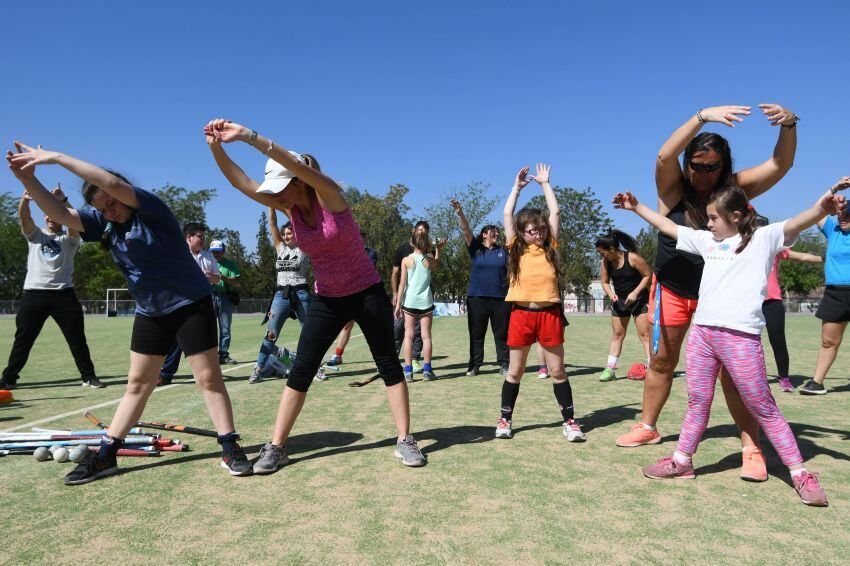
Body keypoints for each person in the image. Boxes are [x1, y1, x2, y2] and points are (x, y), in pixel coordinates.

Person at [7, 142, 252, 485]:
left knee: (208, 378)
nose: (109, 210)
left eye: (111, 202)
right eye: (100, 208)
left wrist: (57, 157)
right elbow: (62, 215)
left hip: (189, 305)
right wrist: (28, 180)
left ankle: (230, 447)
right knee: (138, 383)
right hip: (150, 312)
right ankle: (106, 457)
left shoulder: (150, 209)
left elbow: (115, 186)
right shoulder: (103, 224)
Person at [204, 118, 425, 471]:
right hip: (327, 297)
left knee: (388, 364)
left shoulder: (330, 197)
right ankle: (277, 447)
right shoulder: (288, 207)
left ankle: (405, 439)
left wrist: (246, 136)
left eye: (281, 184)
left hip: (367, 292)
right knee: (302, 370)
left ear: (298, 178)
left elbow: (293, 165)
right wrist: (215, 147)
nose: (274, 193)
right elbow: (241, 183)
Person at [613, 181, 846, 506]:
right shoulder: (708, 241)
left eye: (713, 218)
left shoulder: (764, 238)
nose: (707, 224)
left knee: (764, 407)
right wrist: (636, 207)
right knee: (698, 402)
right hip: (703, 336)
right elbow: (670, 227)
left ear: (736, 216)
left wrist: (823, 206)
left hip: (741, 339)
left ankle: (799, 473)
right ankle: (682, 462)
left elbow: (798, 221)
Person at [616, 103, 799, 483]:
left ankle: (751, 448)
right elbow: (665, 154)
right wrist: (701, 116)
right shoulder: (672, 188)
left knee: (733, 377)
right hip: (674, 289)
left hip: (723, 301)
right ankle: (648, 426)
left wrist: (789, 125)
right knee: (662, 362)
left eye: (711, 166)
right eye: (696, 166)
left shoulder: (736, 190)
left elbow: (780, 165)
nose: (702, 173)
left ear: (724, 165)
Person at [496, 164, 585, 443]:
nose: (539, 234)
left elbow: (555, 212)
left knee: (558, 371)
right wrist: (517, 188)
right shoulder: (515, 248)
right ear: (522, 233)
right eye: (533, 231)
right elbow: (508, 213)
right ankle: (505, 420)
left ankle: (570, 422)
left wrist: (546, 184)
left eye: (541, 229)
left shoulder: (551, 246)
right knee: (516, 371)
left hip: (549, 315)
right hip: (521, 315)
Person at [0, 185, 102, 390]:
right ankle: (9, 378)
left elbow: (75, 219)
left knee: (76, 339)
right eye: (47, 215)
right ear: (44, 218)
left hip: (63, 295)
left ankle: (88, 377)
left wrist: (62, 200)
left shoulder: (70, 239)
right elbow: (25, 218)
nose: (50, 218)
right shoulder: (35, 236)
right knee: (23, 339)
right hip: (34, 295)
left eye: (55, 215)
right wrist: (25, 200)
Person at [753, 215, 823, 392]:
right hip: (749, 302)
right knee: (749, 342)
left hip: (772, 301)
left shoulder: (776, 249)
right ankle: (752, 377)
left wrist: (825, 258)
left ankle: (784, 377)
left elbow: (802, 256)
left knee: (778, 341)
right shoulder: (741, 248)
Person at [249, 209, 311, 384]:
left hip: (300, 293)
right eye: (284, 234)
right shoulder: (280, 248)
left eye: (290, 233)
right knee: (271, 334)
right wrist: (271, 205)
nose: (286, 236)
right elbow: (273, 224)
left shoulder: (304, 248)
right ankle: (258, 369)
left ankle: (316, 368)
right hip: (281, 294)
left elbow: (307, 225)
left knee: (310, 333)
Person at [450, 198, 510, 377]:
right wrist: (460, 213)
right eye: (492, 231)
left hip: (501, 299)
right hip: (477, 298)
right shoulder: (476, 250)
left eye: (497, 231)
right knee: (477, 334)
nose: (496, 233)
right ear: (484, 234)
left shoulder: (504, 251)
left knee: (502, 334)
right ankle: (474, 365)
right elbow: (466, 231)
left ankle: (505, 364)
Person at [158, 223, 221, 386]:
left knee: (207, 339)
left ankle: (209, 373)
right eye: (199, 236)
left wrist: (210, 276)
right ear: (189, 237)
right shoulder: (178, 255)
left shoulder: (209, 256)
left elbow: (218, 279)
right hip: (181, 301)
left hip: (204, 302)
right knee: (176, 340)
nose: (203, 239)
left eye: (203, 236)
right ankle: (165, 374)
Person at [800, 191, 850, 395]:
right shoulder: (833, 229)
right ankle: (817, 382)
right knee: (828, 341)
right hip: (835, 293)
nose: (842, 218)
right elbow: (817, 209)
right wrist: (833, 190)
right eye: (841, 214)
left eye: (847, 215)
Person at [596, 230, 652, 382]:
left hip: (639, 301)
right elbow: (605, 282)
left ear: (612, 249)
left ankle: (652, 368)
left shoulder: (633, 258)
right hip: (619, 302)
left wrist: (635, 292)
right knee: (617, 335)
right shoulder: (605, 262)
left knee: (645, 335)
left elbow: (648, 275)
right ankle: (610, 370)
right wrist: (610, 294)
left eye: (603, 252)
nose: (602, 256)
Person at [395, 229, 444, 381]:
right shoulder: (429, 260)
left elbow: (402, 284)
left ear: (412, 242)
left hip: (409, 302)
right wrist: (438, 251)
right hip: (426, 303)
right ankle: (427, 371)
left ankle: (408, 372)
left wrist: (398, 305)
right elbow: (436, 267)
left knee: (408, 336)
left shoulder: (406, 260)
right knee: (426, 336)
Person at [325, 231, 378, 368]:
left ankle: (382, 357)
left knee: (372, 328)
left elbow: (366, 270)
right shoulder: (346, 253)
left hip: (366, 296)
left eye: (360, 238)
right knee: (346, 325)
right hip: (349, 294)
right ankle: (337, 355)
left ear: (364, 239)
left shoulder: (371, 253)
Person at [392, 222, 427, 371]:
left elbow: (433, 269)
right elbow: (395, 273)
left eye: (425, 231)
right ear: (413, 231)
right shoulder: (402, 250)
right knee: (398, 329)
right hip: (405, 297)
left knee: (419, 332)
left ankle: (414, 360)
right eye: (420, 230)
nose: (422, 233)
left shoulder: (427, 251)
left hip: (423, 299)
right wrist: (395, 295)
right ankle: (392, 359)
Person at [210, 239, 241, 365]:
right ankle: (210, 355)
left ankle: (223, 354)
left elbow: (235, 281)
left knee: (225, 327)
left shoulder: (231, 264)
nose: (216, 254)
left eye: (218, 251)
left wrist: (222, 277)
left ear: (223, 251)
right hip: (209, 296)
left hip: (225, 297)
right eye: (213, 252)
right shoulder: (207, 262)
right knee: (208, 327)